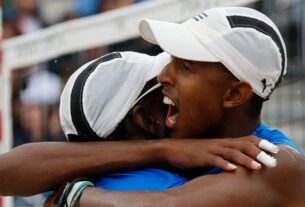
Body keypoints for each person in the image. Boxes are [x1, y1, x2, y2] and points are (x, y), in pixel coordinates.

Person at [45, 7, 305, 207]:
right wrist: (163, 149)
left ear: (235, 93)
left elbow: (169, 204)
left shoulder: (278, 163)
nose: (163, 77)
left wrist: (73, 196)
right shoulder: (183, 150)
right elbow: (10, 170)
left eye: (185, 67)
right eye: (171, 61)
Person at [0, 51, 275, 197]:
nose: (170, 79)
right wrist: (161, 149)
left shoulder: (80, 184)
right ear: (146, 118)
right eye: (162, 85)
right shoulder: (163, 187)